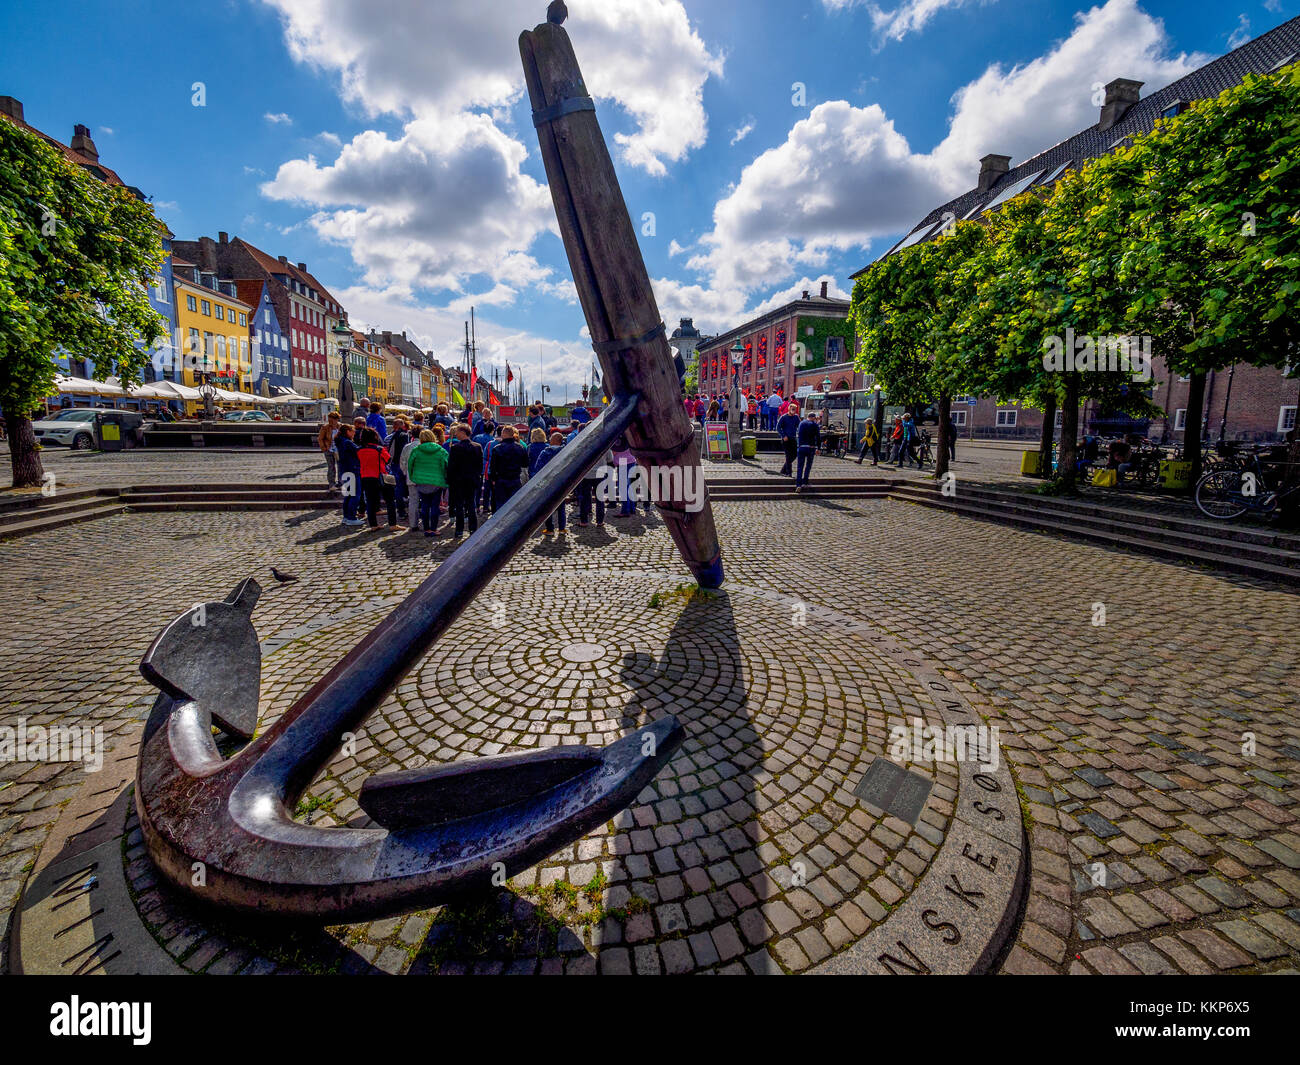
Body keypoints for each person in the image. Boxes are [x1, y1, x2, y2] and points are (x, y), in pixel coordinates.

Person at [408, 429, 449, 536]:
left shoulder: (416, 450)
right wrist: (445, 479)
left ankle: (427, 529)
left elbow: (410, 466)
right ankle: (434, 528)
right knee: (435, 506)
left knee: (425, 505)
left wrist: (413, 478)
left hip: (421, 481)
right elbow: (446, 466)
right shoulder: (440, 450)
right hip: (437, 481)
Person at [356, 427, 398, 530]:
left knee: (370, 502)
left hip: (365, 477)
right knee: (390, 501)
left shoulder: (358, 450)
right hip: (381, 476)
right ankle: (392, 524)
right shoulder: (379, 449)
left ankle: (373, 525)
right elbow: (388, 459)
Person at [446, 424, 483, 539]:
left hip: (458, 481)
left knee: (459, 505)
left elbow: (451, 467)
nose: (456, 434)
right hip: (472, 480)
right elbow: (479, 465)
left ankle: (459, 530)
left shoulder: (456, 448)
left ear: (463, 432)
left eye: (457, 432)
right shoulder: (477, 447)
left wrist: (449, 480)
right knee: (471, 504)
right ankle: (473, 528)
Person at [531, 431, 568, 535]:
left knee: (548, 506)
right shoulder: (565, 452)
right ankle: (562, 528)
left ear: (553, 440)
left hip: (548, 483)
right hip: (561, 482)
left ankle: (550, 529)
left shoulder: (545, 452)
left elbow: (538, 468)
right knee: (561, 507)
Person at [489, 425, 529, 512]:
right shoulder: (520, 447)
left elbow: (493, 467)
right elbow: (525, 463)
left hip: (501, 479)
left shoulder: (497, 448)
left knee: (501, 505)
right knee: (514, 506)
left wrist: (493, 479)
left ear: (503, 434)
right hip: (515, 478)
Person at [335, 423, 363, 526]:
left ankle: (346, 517)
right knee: (355, 494)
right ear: (348, 432)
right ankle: (351, 517)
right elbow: (359, 452)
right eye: (353, 431)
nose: (354, 433)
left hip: (344, 470)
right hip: (352, 470)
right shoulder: (348, 443)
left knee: (348, 495)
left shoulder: (340, 441)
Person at [577, 445, 611, 527]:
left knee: (584, 498)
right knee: (600, 499)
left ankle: (584, 521)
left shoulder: (584, 446)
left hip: (586, 474)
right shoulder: (605, 444)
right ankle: (600, 521)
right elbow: (610, 459)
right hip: (600, 474)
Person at [386, 417, 412, 524]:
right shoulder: (405, 436)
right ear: (403, 425)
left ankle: (400, 510)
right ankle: (402, 509)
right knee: (400, 486)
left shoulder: (391, 436)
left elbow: (389, 451)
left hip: (394, 464)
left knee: (397, 487)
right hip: (401, 463)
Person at [795, 411, 820, 491]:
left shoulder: (801, 424)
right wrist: (818, 448)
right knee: (808, 465)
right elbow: (818, 437)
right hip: (811, 447)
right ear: (813, 418)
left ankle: (798, 484)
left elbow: (798, 435)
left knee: (800, 466)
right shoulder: (815, 425)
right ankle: (805, 481)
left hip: (801, 447)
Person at [318, 411, 341, 491]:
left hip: (338, 450)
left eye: (334, 419)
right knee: (331, 467)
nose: (331, 421)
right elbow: (320, 439)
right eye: (330, 419)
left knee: (340, 467)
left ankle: (340, 483)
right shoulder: (325, 427)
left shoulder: (340, 427)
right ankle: (332, 484)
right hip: (329, 449)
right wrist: (324, 448)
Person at [776, 402, 801, 477]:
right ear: (789, 409)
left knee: (794, 455)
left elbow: (799, 426)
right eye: (792, 409)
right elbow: (778, 427)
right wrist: (783, 435)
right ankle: (788, 472)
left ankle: (783, 470)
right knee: (788, 455)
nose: (794, 411)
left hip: (793, 438)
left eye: (795, 410)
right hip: (786, 439)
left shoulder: (796, 417)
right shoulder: (784, 417)